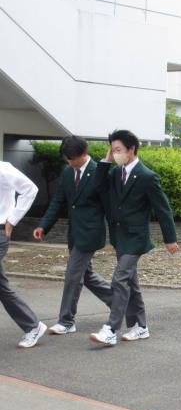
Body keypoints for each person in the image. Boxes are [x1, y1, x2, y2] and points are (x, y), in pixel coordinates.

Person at [90, 130, 178, 345]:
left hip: (136, 238)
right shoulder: (114, 173)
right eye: (113, 150)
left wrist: (170, 239)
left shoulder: (147, 176)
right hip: (120, 237)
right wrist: (105, 162)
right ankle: (140, 326)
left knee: (119, 279)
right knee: (131, 282)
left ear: (132, 149)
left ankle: (111, 329)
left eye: (118, 150)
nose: (115, 154)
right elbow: (96, 188)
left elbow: (163, 209)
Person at [34, 136, 112, 335]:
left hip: (90, 233)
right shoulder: (68, 172)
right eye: (67, 159)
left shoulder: (98, 172)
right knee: (87, 275)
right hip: (75, 233)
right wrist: (43, 225)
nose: (69, 162)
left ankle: (67, 320)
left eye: (72, 159)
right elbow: (58, 201)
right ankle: (121, 302)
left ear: (83, 154)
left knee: (73, 275)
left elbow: (106, 199)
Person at [0, 161, 47, 348]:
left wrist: (13, 219)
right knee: (2, 289)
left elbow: (30, 189)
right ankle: (33, 326)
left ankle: (33, 327)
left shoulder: (3, 168)